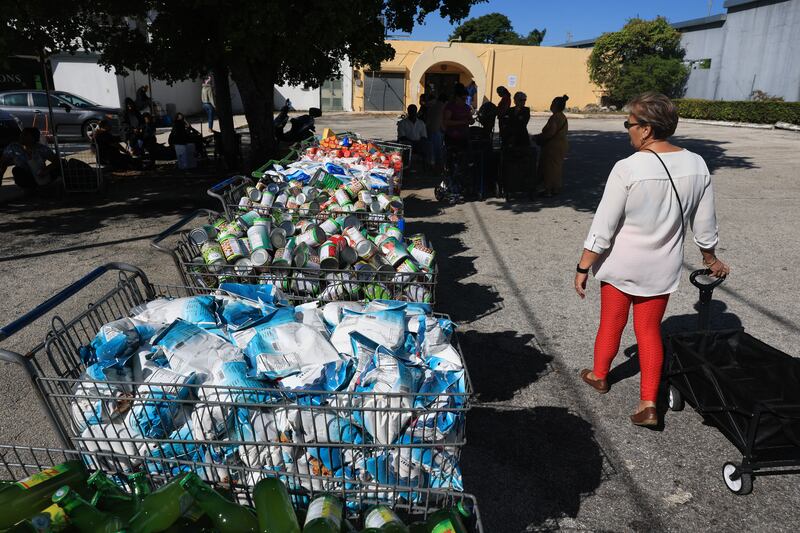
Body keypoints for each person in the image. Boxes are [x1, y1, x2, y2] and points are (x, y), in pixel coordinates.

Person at [575, 92, 730, 427]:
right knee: (648, 331)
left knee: (611, 323)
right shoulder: (697, 164)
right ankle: (648, 402)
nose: (627, 130)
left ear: (646, 129)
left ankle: (600, 375)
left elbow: (604, 224)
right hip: (661, 267)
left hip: (621, 264)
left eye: (629, 124)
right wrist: (711, 258)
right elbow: (704, 225)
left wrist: (583, 265)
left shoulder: (627, 168)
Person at [0, 127, 60, 193]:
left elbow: (56, 161)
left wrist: (46, 170)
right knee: (16, 170)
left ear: (33, 138)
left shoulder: (42, 149)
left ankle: (43, 186)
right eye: (22, 134)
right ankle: (29, 188)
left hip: (40, 174)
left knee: (60, 166)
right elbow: (3, 162)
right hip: (26, 175)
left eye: (25, 135)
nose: (21, 136)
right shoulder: (13, 147)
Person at [534, 95, 570, 196]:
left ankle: (548, 189)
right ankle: (556, 188)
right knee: (556, 167)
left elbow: (551, 132)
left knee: (549, 167)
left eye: (552, 103)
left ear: (555, 105)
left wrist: (539, 138)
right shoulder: (562, 116)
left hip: (553, 146)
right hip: (561, 145)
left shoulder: (555, 117)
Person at [397, 104, 428, 171]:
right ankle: (406, 167)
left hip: (418, 143)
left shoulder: (421, 123)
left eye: (414, 111)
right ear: (408, 112)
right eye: (411, 111)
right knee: (407, 145)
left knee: (428, 145)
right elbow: (402, 137)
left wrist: (419, 142)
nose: (412, 113)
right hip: (407, 143)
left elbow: (424, 136)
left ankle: (427, 166)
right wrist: (412, 142)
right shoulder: (402, 123)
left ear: (416, 111)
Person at [425, 93, 447, 169]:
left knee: (432, 150)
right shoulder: (442, 106)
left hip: (430, 129)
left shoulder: (433, 106)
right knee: (438, 151)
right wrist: (444, 129)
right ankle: (437, 167)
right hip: (437, 130)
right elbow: (440, 120)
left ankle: (432, 165)